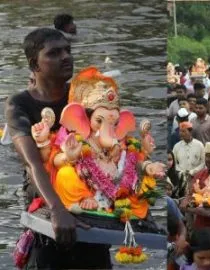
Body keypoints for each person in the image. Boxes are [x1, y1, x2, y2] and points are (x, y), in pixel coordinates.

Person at [4, 28, 117, 269]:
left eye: (67, 50)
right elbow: (32, 162)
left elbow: (110, 144)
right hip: (45, 200)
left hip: (88, 196)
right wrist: (56, 209)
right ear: (35, 64)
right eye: (54, 53)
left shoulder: (85, 96)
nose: (66, 57)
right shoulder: (19, 104)